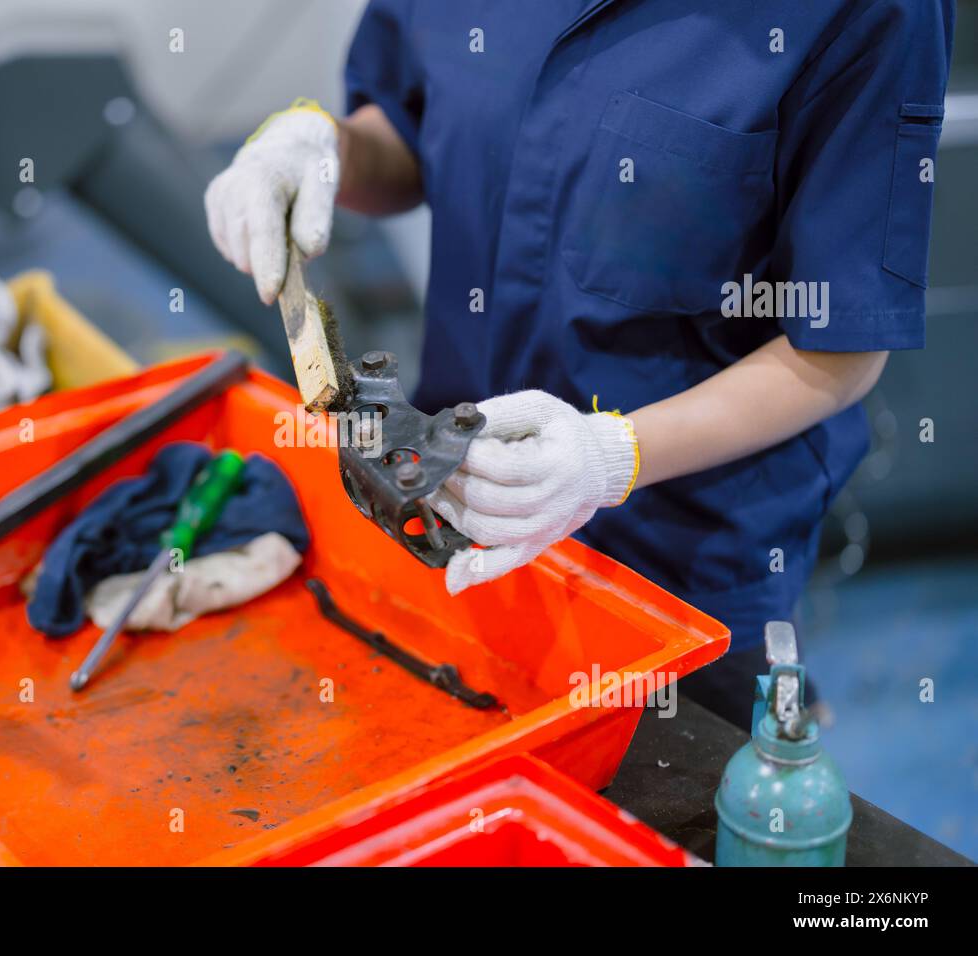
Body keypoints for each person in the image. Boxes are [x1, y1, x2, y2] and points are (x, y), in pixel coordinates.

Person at [203, 0, 954, 728]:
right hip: (453, 512)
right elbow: (408, 129)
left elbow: (841, 347)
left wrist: (611, 456)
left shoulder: (859, 12)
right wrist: (322, 149)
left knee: (670, 792)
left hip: (679, 573)